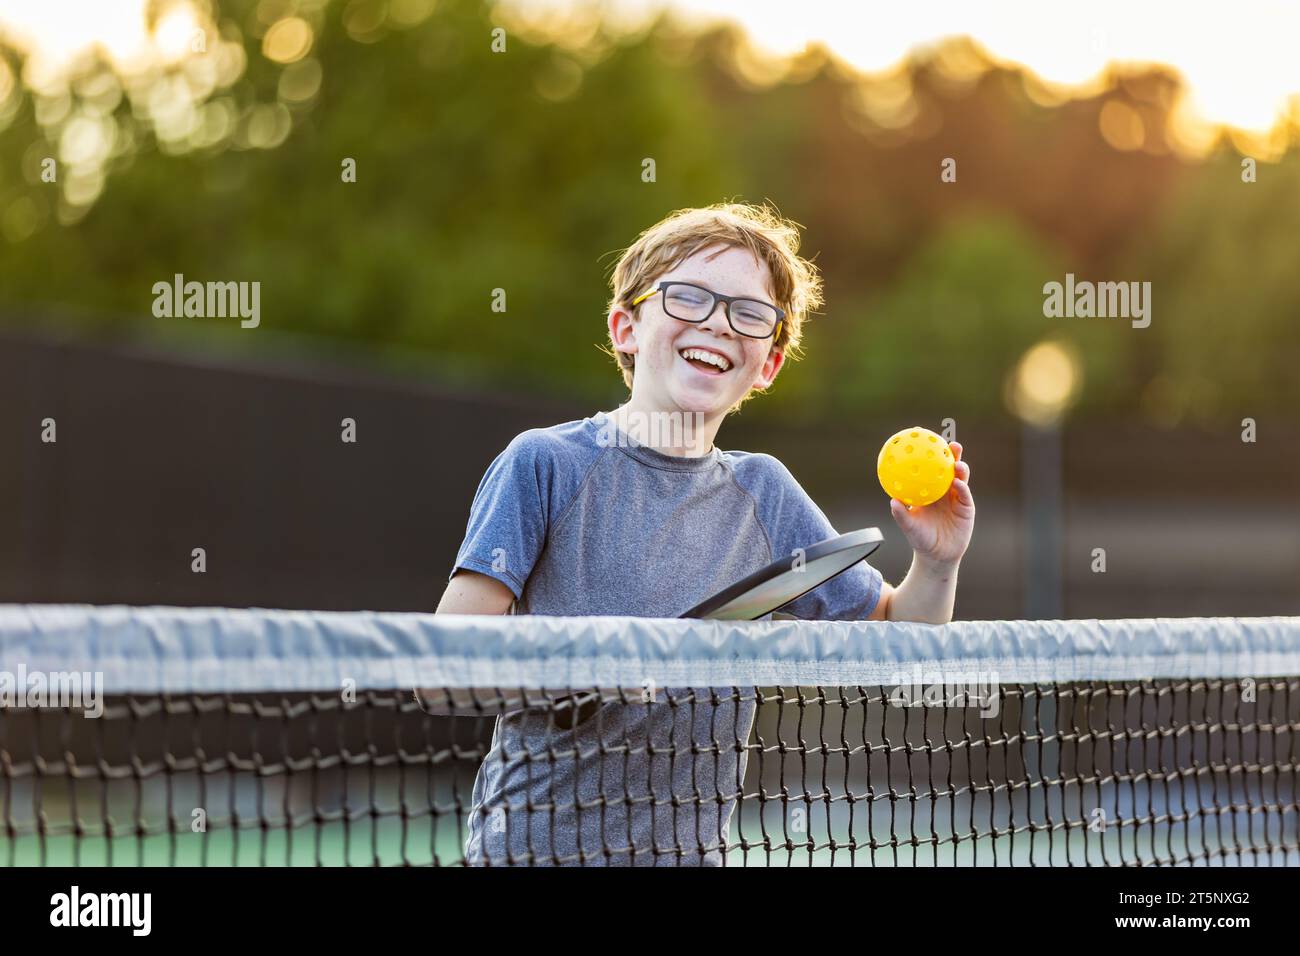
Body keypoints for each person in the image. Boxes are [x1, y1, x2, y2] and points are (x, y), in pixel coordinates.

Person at [437, 201, 976, 865]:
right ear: (626, 327)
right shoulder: (544, 463)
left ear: (768, 366)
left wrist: (937, 561)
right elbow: (443, 672)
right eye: (689, 297)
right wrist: (589, 671)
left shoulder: (767, 493)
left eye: (749, 314)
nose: (718, 322)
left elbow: (903, 644)